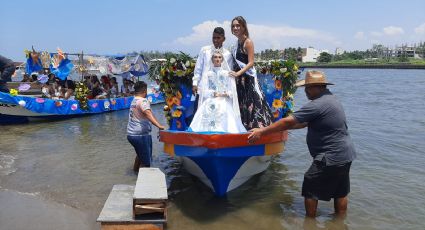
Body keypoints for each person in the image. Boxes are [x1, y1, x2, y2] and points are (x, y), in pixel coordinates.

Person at [248, 70, 356, 218]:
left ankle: (309, 222)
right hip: (345, 154)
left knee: (310, 185)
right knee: (340, 191)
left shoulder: (317, 104)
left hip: (329, 156)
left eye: (307, 88)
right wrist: (277, 128)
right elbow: (303, 123)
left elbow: (288, 120)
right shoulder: (332, 99)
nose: (305, 91)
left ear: (317, 87)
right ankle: (339, 221)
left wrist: (262, 131)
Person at [230, 16, 273, 130]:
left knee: (252, 103)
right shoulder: (236, 43)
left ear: (244, 27)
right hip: (239, 80)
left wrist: (239, 73)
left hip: (247, 79)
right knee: (241, 102)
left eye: (238, 25)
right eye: (233, 26)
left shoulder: (248, 42)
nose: (235, 28)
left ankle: (257, 128)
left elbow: (251, 62)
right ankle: (243, 127)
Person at [189, 50, 246, 133]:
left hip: (224, 99)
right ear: (212, 60)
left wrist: (226, 93)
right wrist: (213, 93)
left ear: (222, 59)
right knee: (208, 107)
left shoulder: (227, 73)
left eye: (219, 57)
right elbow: (202, 91)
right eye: (215, 57)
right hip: (211, 98)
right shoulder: (207, 74)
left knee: (223, 108)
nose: (217, 59)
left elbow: (232, 91)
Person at [192, 27, 233, 113]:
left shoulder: (228, 54)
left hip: (220, 93)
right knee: (199, 114)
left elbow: (228, 73)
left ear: (223, 39)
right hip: (203, 89)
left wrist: (227, 92)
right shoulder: (204, 50)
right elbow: (198, 69)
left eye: (218, 38)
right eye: (214, 37)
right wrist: (195, 83)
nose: (215, 40)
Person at [127, 81, 165, 172]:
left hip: (131, 135)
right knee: (146, 162)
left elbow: (148, 114)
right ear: (144, 91)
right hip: (140, 136)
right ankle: (143, 182)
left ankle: (135, 173)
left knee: (140, 155)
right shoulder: (143, 101)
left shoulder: (134, 100)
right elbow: (148, 113)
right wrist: (159, 125)